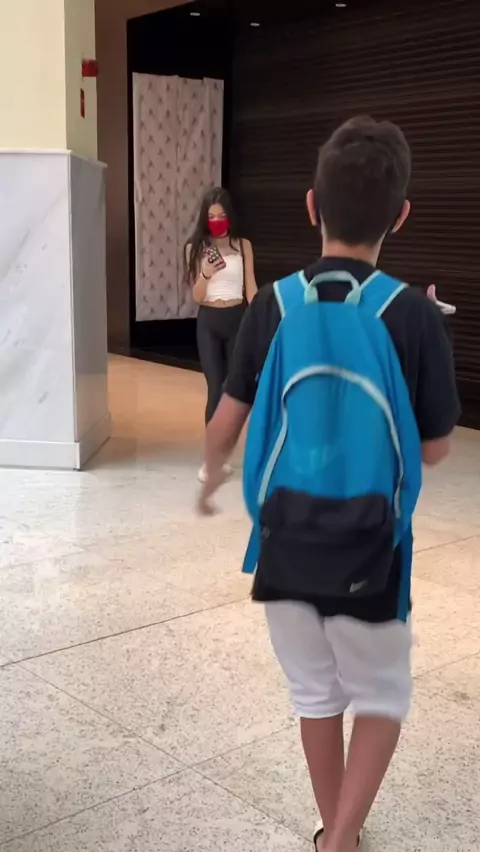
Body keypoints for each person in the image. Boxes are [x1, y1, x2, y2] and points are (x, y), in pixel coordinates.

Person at [198, 117, 460, 852]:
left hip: (283, 543)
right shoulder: (412, 313)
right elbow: (435, 449)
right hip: (374, 551)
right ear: (400, 216)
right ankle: (341, 838)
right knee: (382, 694)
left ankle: (333, 834)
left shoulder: (273, 305)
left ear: (311, 206)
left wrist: (210, 477)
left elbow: (224, 423)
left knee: (314, 694)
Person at [186, 187, 257, 482]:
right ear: (205, 218)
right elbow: (197, 296)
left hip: (237, 318)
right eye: (212, 216)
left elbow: (251, 287)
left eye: (222, 215)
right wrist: (205, 273)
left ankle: (224, 454)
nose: (217, 221)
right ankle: (211, 460)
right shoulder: (195, 248)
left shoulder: (243, 245)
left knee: (233, 389)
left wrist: (261, 319)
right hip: (209, 321)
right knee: (215, 387)